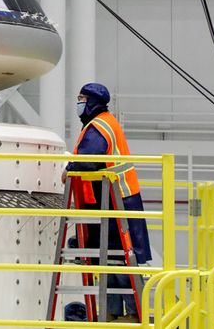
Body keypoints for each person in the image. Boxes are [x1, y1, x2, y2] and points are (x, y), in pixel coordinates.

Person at [65, 83, 152, 323]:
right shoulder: (101, 123)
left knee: (121, 261)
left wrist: (69, 168)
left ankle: (134, 314)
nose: (78, 103)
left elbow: (88, 160)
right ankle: (113, 312)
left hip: (117, 201)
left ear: (92, 101)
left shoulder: (99, 126)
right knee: (110, 260)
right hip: (110, 200)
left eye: (81, 98)